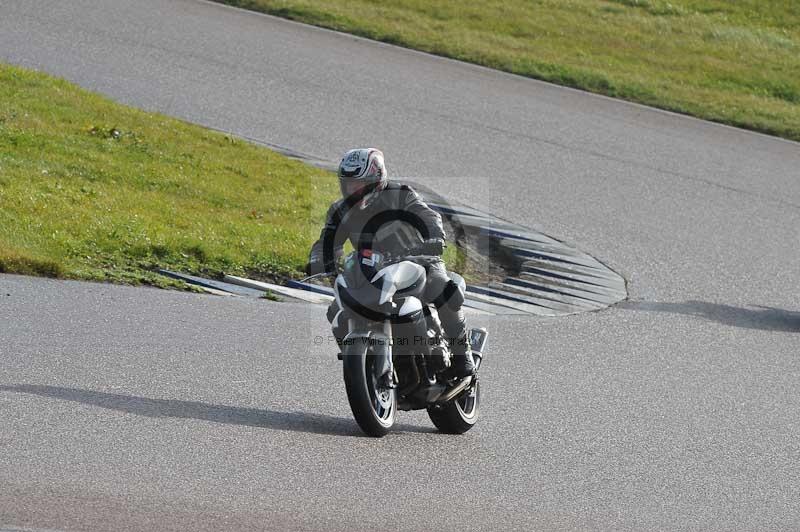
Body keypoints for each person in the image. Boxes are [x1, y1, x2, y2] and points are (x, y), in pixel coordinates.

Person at [306, 148, 476, 379]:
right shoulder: (340, 210)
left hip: (419, 260)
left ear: (376, 180)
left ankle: (462, 354)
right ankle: (360, 362)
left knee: (443, 290)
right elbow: (328, 241)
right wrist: (318, 260)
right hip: (374, 270)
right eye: (348, 184)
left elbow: (428, 216)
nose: (352, 190)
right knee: (336, 310)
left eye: (359, 184)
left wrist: (434, 237)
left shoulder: (400, 194)